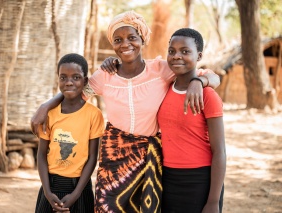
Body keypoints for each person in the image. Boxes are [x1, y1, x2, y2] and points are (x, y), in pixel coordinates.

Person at [31, 11, 220, 213]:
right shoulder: (105, 75)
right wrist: (46, 106)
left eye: (132, 38)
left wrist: (199, 82)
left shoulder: (160, 70)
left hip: (149, 155)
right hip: (114, 155)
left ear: (142, 39)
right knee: (107, 207)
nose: (125, 44)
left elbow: (211, 76)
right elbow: (76, 94)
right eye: (118, 40)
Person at [157, 28, 226, 213]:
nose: (176, 56)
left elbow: (219, 150)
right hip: (168, 179)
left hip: (200, 180)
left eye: (185, 51)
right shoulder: (164, 88)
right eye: (171, 51)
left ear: (199, 56)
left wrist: (213, 201)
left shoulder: (208, 95)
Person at [34, 53, 104, 213]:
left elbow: (92, 157)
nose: (69, 82)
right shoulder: (50, 114)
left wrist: (76, 194)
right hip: (51, 186)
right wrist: (47, 192)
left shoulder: (94, 114)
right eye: (63, 77)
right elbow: (41, 154)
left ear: (85, 81)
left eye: (76, 77)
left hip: (79, 187)